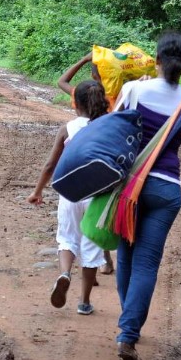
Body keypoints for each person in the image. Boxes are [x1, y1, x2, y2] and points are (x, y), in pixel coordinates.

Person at [112, 31, 181, 360]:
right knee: (148, 262)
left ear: (157, 60)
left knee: (126, 255)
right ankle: (128, 331)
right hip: (166, 190)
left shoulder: (133, 90)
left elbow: (113, 132)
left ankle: (129, 326)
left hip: (130, 187)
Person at [27, 80, 110, 315]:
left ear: (76, 104)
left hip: (71, 192)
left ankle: (64, 273)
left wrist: (38, 191)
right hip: (98, 195)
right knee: (92, 244)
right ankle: (84, 302)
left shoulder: (68, 128)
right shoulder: (108, 127)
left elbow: (50, 164)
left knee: (67, 238)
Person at [57, 53, 115, 276]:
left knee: (73, 226)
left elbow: (62, 81)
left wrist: (82, 58)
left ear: (92, 73)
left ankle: (85, 267)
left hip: (77, 172)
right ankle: (103, 262)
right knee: (97, 215)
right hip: (102, 171)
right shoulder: (113, 99)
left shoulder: (82, 94)